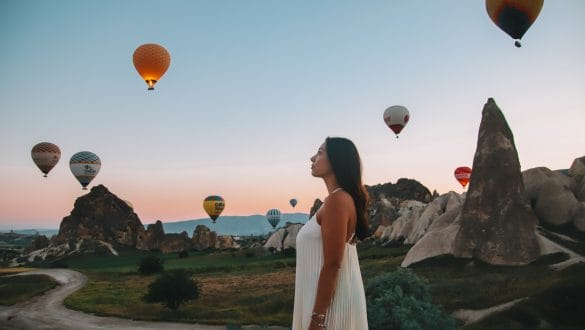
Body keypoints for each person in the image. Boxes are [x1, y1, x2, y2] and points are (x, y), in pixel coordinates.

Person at [292, 137, 369, 330]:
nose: (312, 158)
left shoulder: (337, 201)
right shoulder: (337, 200)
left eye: (319, 152)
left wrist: (317, 319)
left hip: (328, 309)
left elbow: (333, 264)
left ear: (336, 160)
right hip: (325, 301)